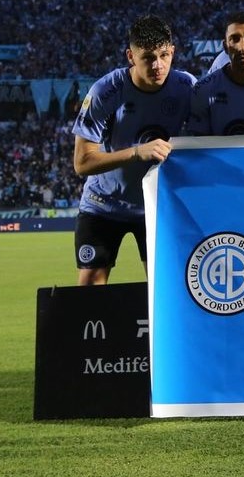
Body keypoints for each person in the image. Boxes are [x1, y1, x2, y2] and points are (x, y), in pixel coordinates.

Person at [71, 15, 195, 285]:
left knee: (163, 290)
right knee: (90, 285)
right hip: (103, 204)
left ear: (172, 52)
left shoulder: (186, 87)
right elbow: (81, 163)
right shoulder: (106, 91)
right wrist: (136, 152)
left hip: (155, 205)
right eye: (148, 57)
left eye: (164, 55)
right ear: (131, 56)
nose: (158, 65)